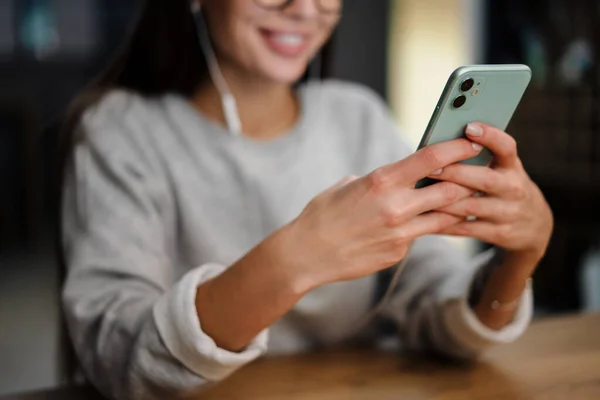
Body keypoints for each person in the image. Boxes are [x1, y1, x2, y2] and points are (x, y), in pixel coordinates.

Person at [58, 0, 553, 399]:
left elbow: (434, 308)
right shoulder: (121, 130)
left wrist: (519, 257)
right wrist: (295, 259)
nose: (304, 7)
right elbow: (118, 357)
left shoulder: (355, 116)